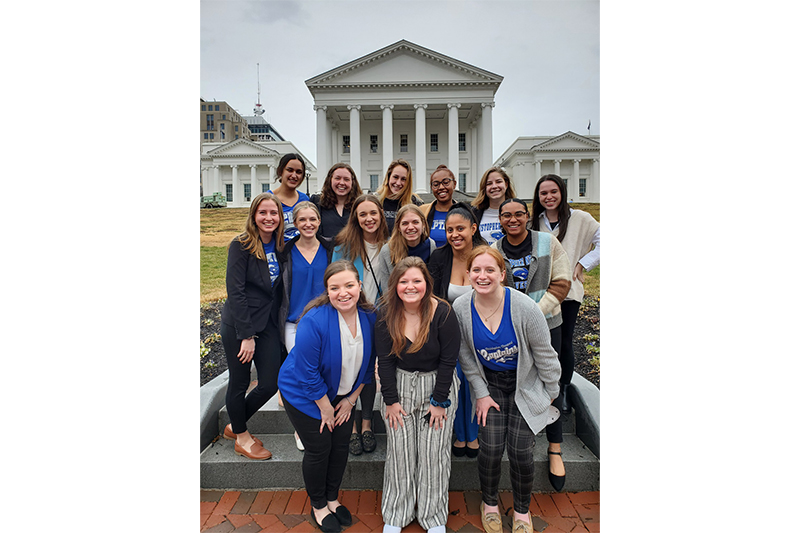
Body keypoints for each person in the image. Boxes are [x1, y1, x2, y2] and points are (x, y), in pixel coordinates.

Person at [453, 246, 561, 533]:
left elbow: (546, 355)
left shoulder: (525, 308)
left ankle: (522, 511)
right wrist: (481, 393)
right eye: (476, 270)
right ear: (468, 274)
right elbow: (465, 356)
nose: (483, 275)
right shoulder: (461, 309)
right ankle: (489, 505)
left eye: (490, 270)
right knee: (488, 449)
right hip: (491, 387)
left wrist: (551, 392)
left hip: (526, 386)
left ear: (502, 274)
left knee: (520, 452)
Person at [277, 260, 377, 533]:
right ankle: (319, 505)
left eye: (348, 285)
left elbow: (369, 366)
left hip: (344, 396)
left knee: (341, 446)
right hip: (304, 395)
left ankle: (333, 498)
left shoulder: (370, 316)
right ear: (327, 291)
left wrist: (351, 400)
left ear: (359, 286)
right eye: (334, 288)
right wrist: (325, 408)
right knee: (320, 448)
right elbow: (307, 372)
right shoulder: (314, 320)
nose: (342, 293)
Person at [492, 197, 571, 491]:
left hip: (548, 324)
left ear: (527, 216)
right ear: (500, 219)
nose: (512, 220)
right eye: (506, 215)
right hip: (512, 331)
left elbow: (561, 281)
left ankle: (555, 448)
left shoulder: (547, 242)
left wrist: (533, 316)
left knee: (552, 383)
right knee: (523, 383)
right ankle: (526, 436)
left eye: (518, 214)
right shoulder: (495, 250)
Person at [376, 257, 460, 533]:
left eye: (416, 281)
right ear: (395, 285)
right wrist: (390, 400)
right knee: (400, 453)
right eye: (403, 282)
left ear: (427, 283)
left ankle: (433, 516)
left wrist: (439, 401)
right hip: (399, 386)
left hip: (437, 387)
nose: (410, 287)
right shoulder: (386, 312)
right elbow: (385, 361)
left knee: (433, 453)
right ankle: (397, 513)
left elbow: (449, 361)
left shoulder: (443, 313)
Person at [220, 192, 286, 461]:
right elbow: (235, 292)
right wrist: (246, 335)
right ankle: (242, 438)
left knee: (270, 382)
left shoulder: (281, 247)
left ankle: (235, 424)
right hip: (239, 323)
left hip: (267, 323)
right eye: (263, 213)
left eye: (274, 213)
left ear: (280, 218)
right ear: (254, 216)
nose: (269, 218)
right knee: (240, 381)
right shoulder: (242, 245)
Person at [531, 174, 600, 415]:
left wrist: (583, 263)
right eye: (543, 193)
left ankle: (562, 390)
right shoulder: (534, 222)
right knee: (542, 342)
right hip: (540, 292)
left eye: (553, 192)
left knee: (564, 341)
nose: (549, 197)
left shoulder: (580, 218)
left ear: (562, 192)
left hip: (568, 291)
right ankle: (543, 389)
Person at [331, 194, 390, 455]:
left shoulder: (391, 245)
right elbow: (334, 280)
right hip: (352, 313)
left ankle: (366, 422)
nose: (369, 219)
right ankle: (352, 428)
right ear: (355, 217)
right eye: (363, 214)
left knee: (368, 367)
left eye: (373, 213)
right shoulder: (344, 246)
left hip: (381, 315)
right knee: (350, 366)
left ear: (381, 215)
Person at [427, 202, 485, 459]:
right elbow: (431, 296)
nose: (455, 235)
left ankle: (472, 435)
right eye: (450, 230)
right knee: (455, 381)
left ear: (473, 228)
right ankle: (460, 435)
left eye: (460, 228)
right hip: (449, 333)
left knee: (474, 382)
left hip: (481, 332)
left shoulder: (485, 257)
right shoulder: (440, 257)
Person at [279, 201, 334, 451]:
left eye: (312, 219)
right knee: (305, 371)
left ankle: (325, 419)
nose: (308, 224)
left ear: (319, 221)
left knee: (323, 372)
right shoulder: (286, 251)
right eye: (302, 220)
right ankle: (301, 427)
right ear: (295, 223)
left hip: (325, 322)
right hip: (295, 323)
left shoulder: (331, 248)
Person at [374, 204, 437, 292]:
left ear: (423, 224)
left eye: (415, 222)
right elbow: (386, 289)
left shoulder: (431, 245)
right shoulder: (387, 251)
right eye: (405, 223)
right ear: (399, 227)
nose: (410, 227)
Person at [310, 163, 363, 240]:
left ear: (352, 182)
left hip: (352, 250)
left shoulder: (360, 205)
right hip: (324, 250)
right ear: (330, 180)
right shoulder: (316, 202)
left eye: (346, 179)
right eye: (337, 178)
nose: (341, 183)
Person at [471, 167, 518, 245]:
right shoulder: (474, 214)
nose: (494, 186)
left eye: (498, 182)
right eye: (489, 183)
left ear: (506, 184)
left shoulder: (518, 212)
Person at [269, 153, 311, 242]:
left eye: (299, 172)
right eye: (290, 170)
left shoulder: (305, 200)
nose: (294, 175)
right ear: (281, 171)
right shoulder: (268, 199)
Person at [375, 158, 423, 233]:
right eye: (395, 177)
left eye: (403, 179)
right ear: (388, 177)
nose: (398, 183)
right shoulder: (375, 200)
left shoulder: (416, 203)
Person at [420, 165, 457, 248]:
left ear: (454, 184)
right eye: (436, 184)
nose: (441, 187)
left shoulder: (463, 211)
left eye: (446, 182)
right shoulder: (422, 211)